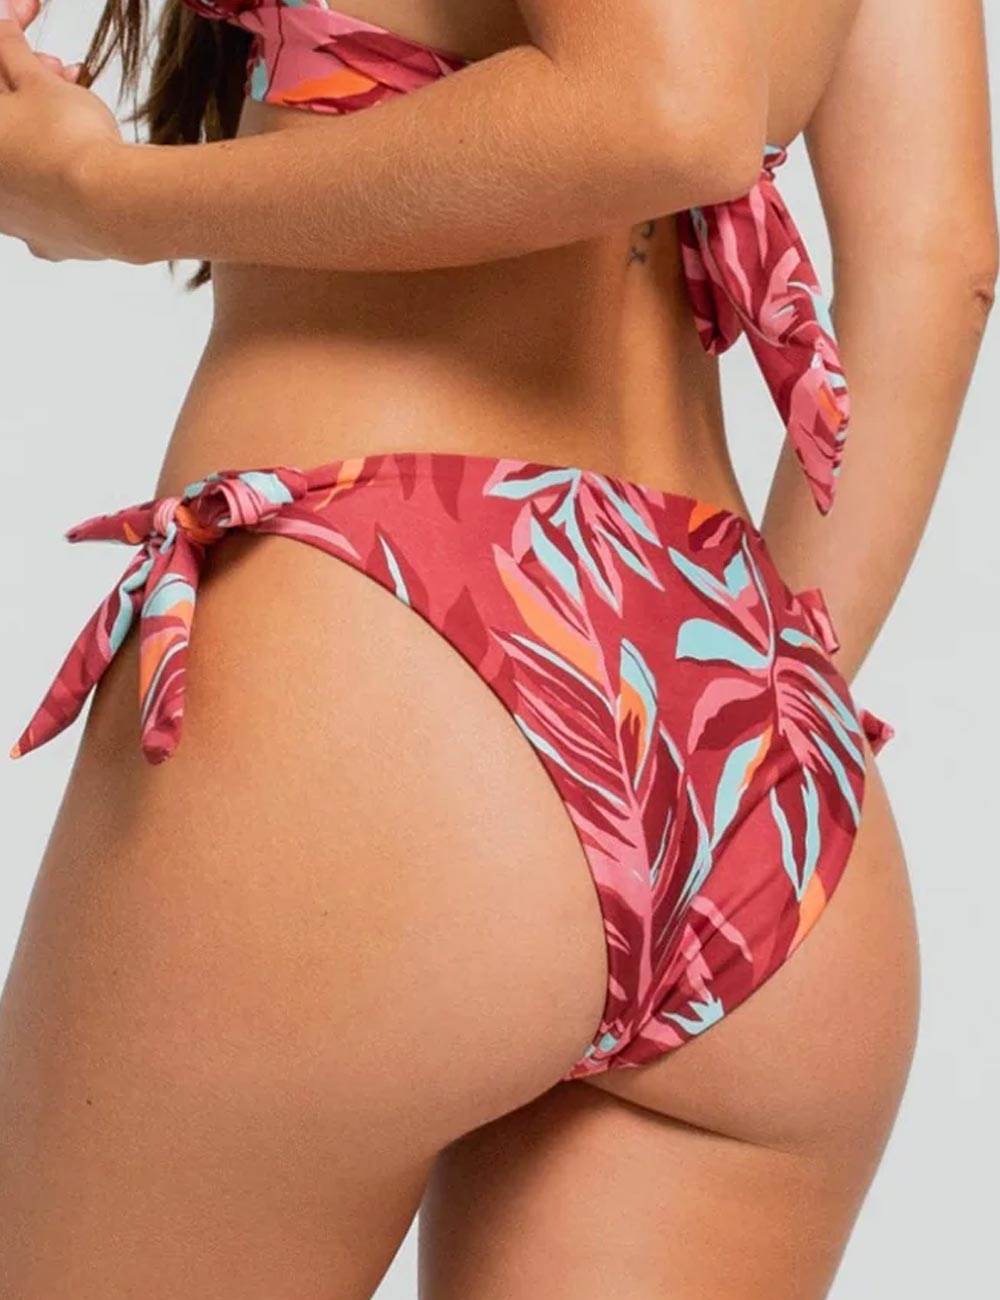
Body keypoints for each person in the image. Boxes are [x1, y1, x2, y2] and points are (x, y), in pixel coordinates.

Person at [0, 1, 994, 1296]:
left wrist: (107, 197)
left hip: (384, 643)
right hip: (743, 724)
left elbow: (666, 107)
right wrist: (760, 706)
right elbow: (939, 258)